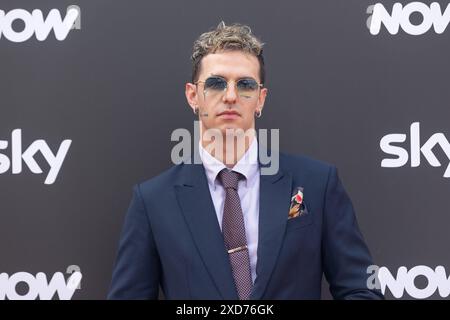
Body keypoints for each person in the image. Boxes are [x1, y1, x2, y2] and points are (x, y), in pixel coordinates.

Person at [108, 22, 383, 300]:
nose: (230, 96)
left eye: (245, 84)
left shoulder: (316, 184)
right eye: (216, 84)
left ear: (260, 99)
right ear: (193, 96)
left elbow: (361, 290)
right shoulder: (153, 201)